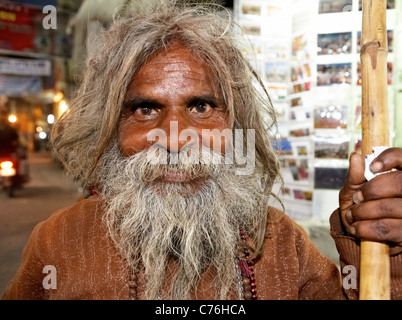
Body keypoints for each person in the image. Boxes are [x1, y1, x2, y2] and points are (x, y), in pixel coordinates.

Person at [2, 1, 402, 300]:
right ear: (111, 131)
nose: (175, 138)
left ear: (234, 125)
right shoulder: (57, 241)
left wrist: (379, 247)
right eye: (145, 109)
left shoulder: (283, 243)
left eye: (200, 106)